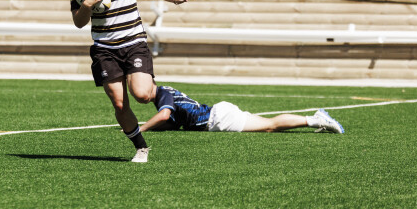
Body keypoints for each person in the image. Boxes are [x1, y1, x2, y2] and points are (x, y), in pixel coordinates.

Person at [70, 0, 198, 163]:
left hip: (134, 42)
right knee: (120, 104)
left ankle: (164, 92)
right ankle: (141, 147)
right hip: (105, 49)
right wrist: (87, 5)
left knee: (142, 95)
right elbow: (78, 21)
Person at [140, 85, 345, 134]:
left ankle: (316, 119)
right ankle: (314, 120)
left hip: (217, 119)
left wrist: (140, 130)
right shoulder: (165, 92)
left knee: (270, 126)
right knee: (268, 124)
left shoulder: (162, 93)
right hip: (219, 114)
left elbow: (164, 116)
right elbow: (172, 123)